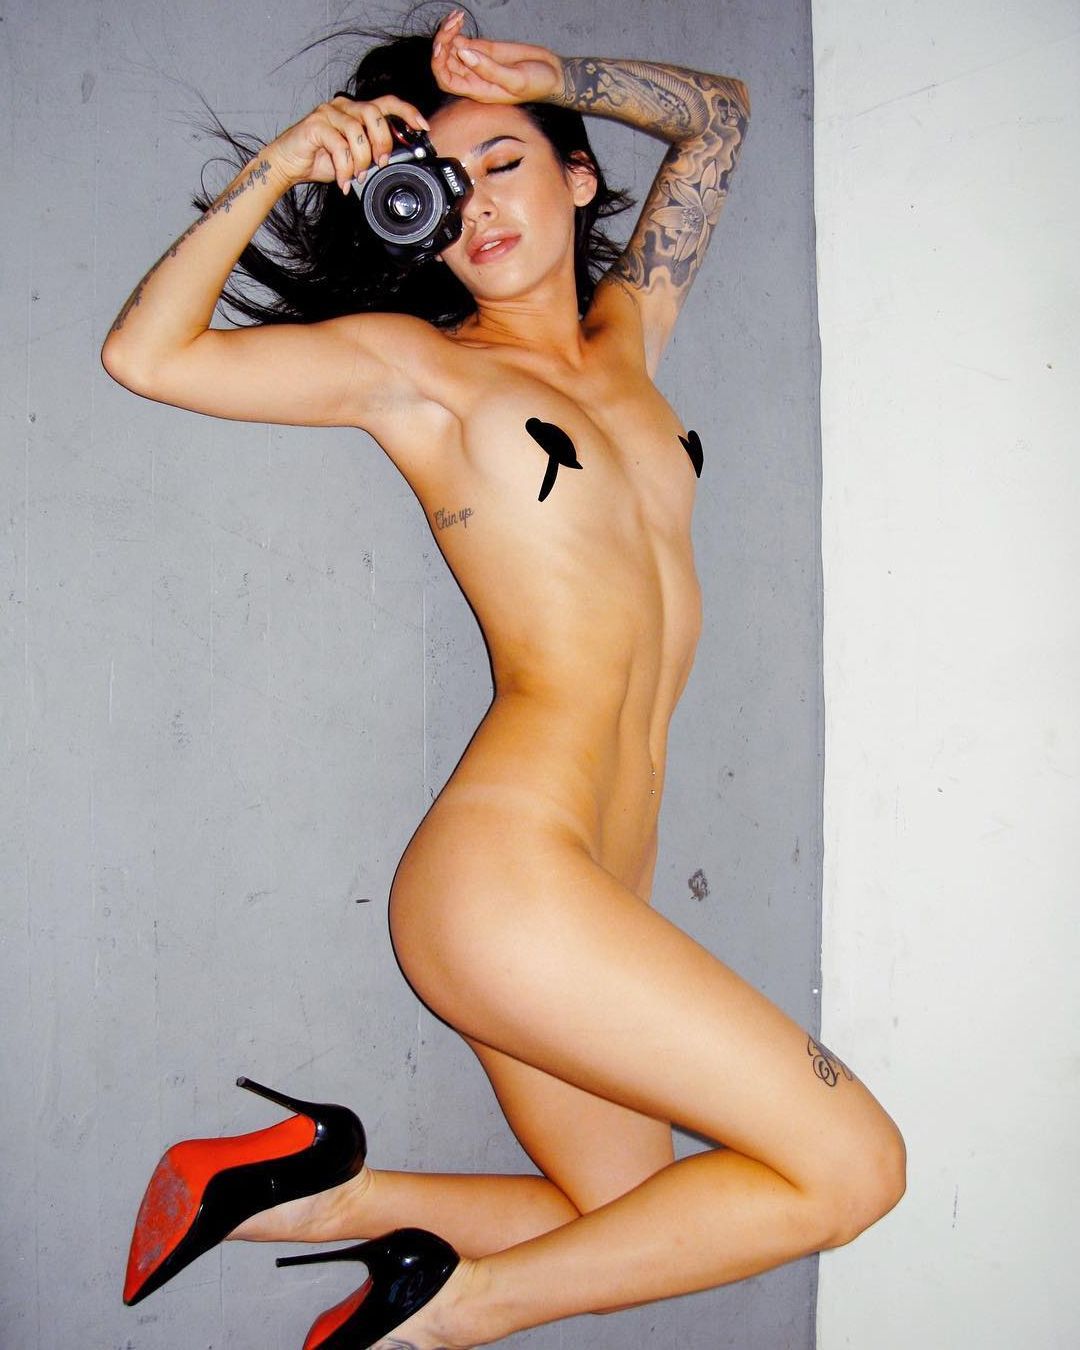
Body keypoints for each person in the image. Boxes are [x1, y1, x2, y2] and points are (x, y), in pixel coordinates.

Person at [103, 10, 905, 1349]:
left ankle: (312, 1187)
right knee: (855, 1167)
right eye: (444, 184)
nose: (477, 205)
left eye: (507, 161)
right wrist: (287, 163)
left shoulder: (632, 337)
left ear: (578, 175)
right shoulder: (424, 371)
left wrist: (552, 75)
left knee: (638, 1213)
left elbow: (720, 119)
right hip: (508, 878)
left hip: (594, 887)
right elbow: (147, 356)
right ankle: (445, 1316)